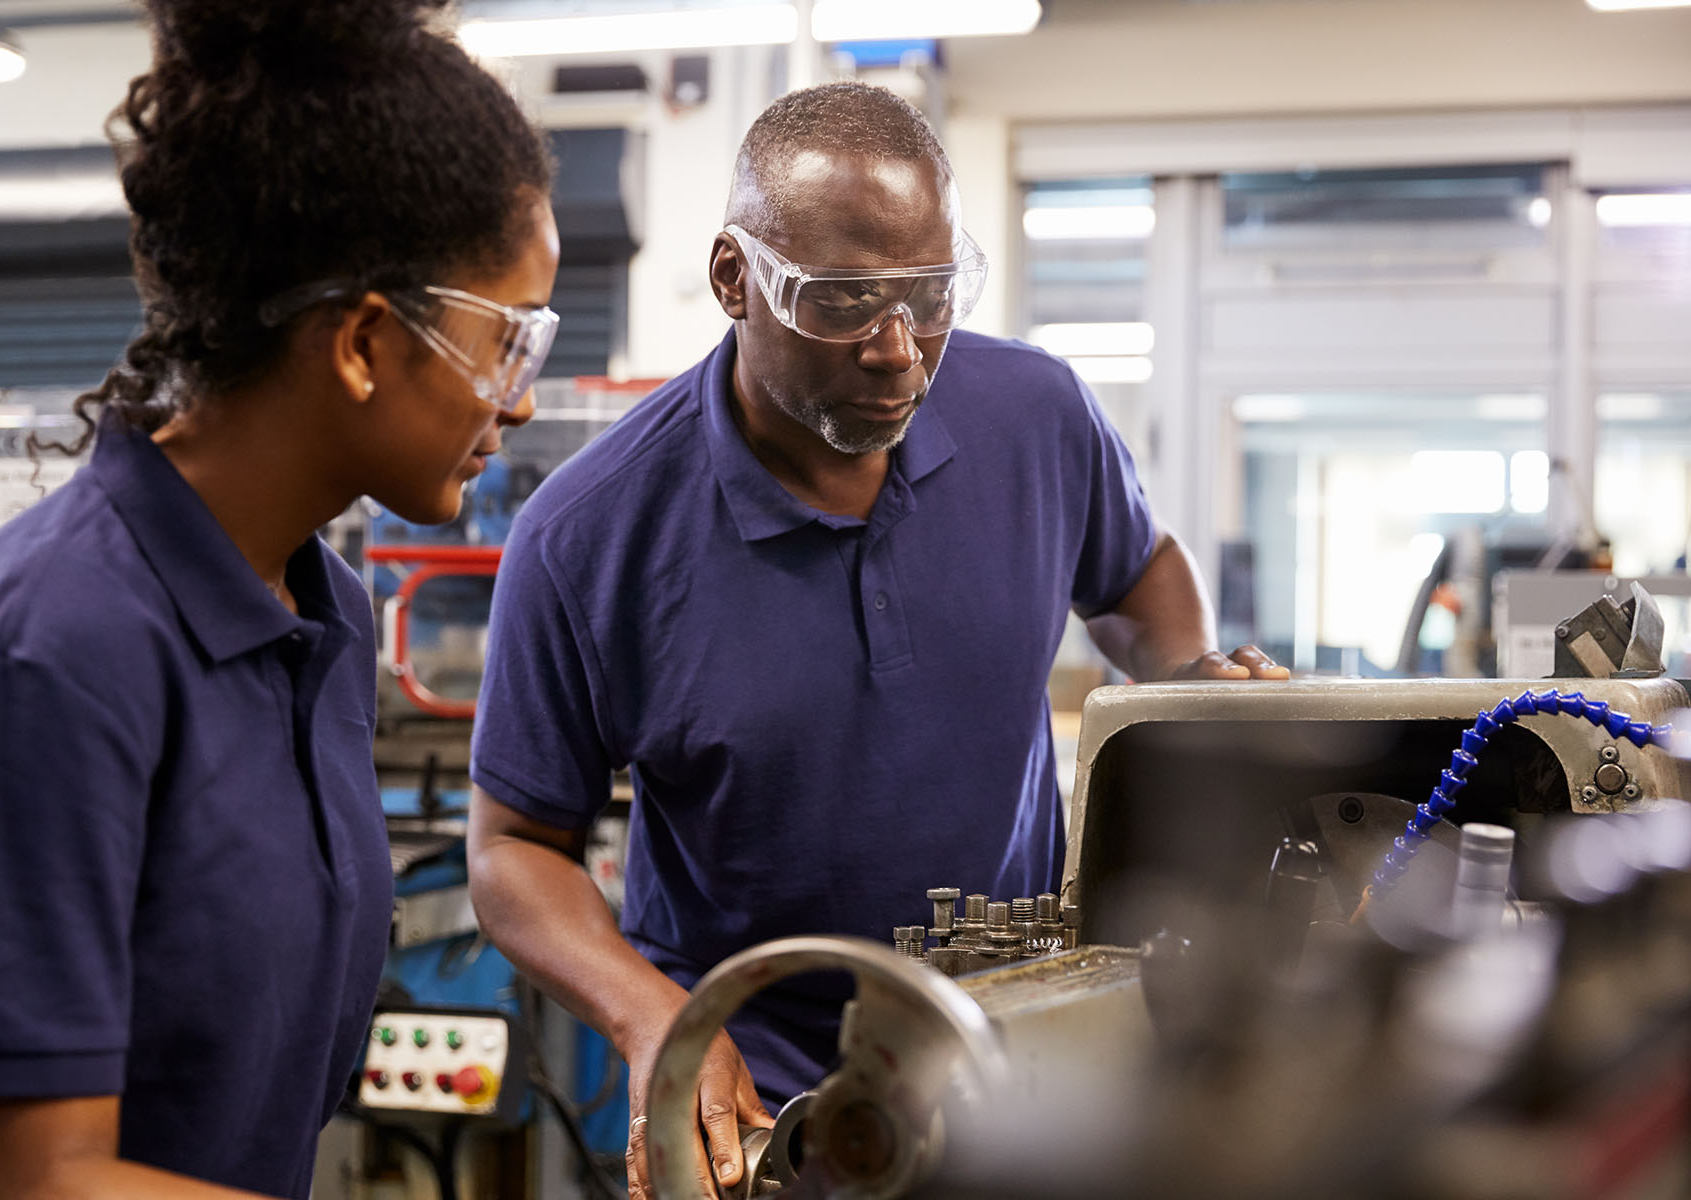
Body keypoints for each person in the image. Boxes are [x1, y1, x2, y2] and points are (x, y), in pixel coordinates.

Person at [464, 82, 1287, 1198]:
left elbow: (1140, 574)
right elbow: (515, 852)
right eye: (845, 301)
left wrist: (1187, 687)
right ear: (733, 281)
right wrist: (657, 1017)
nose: (899, 349)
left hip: (1021, 1049)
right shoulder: (586, 538)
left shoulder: (1035, 416)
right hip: (765, 1101)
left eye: (931, 293)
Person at [0, 2, 557, 1197]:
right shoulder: (50, 649)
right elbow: (32, 1180)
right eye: (508, 340)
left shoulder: (329, 622)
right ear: (362, 342)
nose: (515, 401)